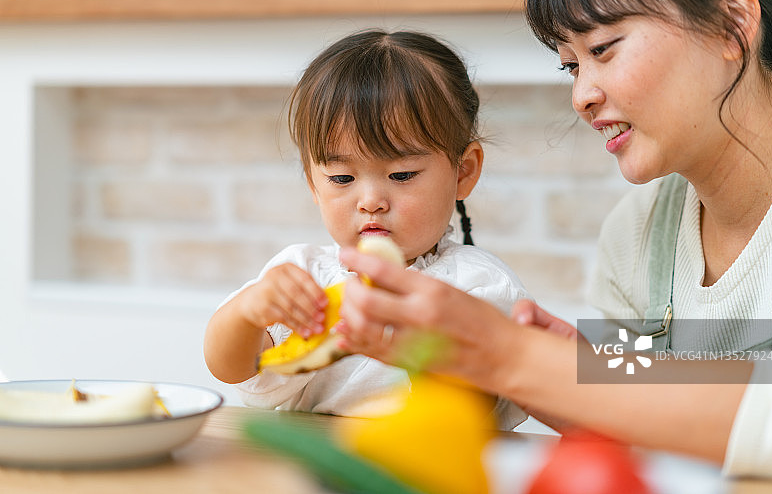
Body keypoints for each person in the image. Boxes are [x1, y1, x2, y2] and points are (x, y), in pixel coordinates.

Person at [334, 0, 772, 479]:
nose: (582, 97)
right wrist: (574, 373)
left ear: (732, 24)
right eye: (571, 66)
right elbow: (647, 446)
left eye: (602, 49)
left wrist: (513, 358)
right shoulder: (639, 231)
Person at [203, 29, 529, 430]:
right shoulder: (304, 275)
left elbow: (479, 407)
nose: (370, 200)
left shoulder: (479, 286)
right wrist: (246, 313)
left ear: (463, 172)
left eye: (402, 174)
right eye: (341, 178)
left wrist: (417, 347)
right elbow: (230, 369)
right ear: (313, 184)